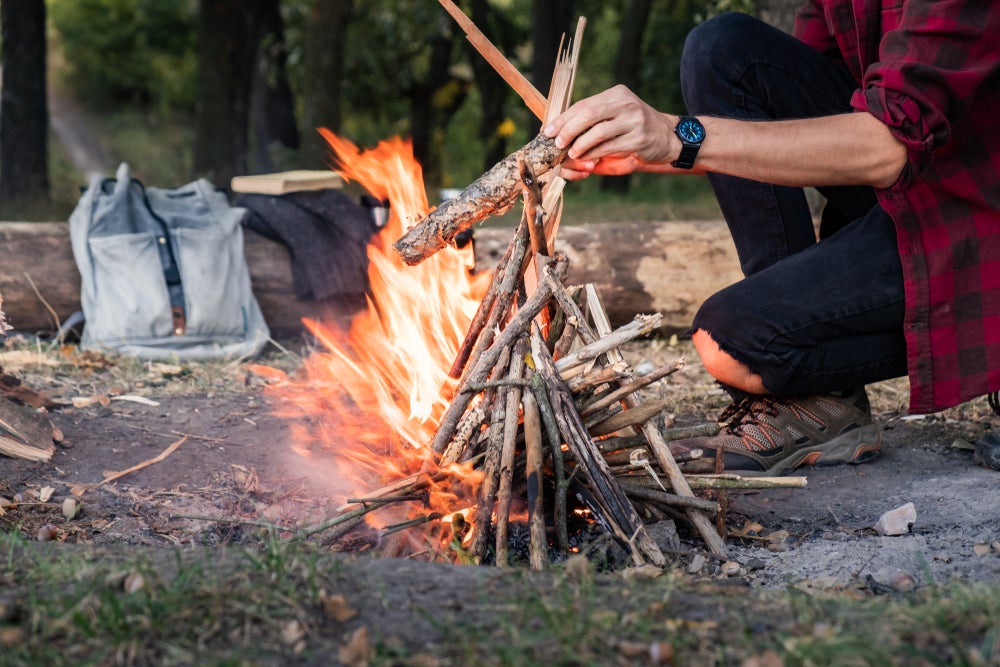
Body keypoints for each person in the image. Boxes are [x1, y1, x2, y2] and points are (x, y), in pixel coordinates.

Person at [543, 1, 1000, 475]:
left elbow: (888, 148)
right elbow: (791, 126)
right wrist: (645, 151)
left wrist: (678, 136)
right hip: (912, 191)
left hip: (974, 218)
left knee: (732, 343)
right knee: (722, 49)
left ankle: (805, 387)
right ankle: (818, 398)